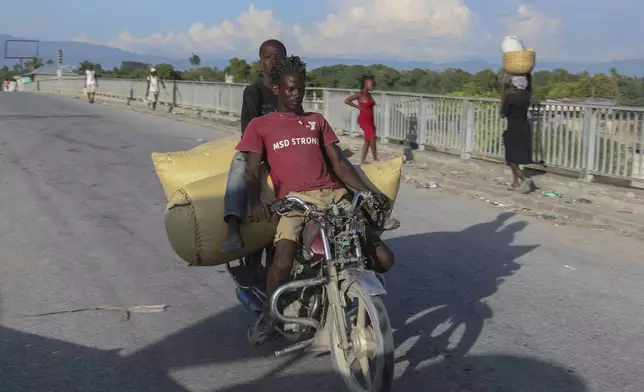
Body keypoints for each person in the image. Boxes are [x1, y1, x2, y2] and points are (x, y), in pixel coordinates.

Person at [237, 55, 395, 345]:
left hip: (333, 195)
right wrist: (257, 201)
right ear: (277, 89)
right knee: (282, 260)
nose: (296, 95)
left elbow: (340, 164)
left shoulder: (316, 121)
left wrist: (367, 192)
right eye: (290, 89)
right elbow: (250, 171)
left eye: (301, 89)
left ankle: (358, 299)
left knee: (384, 258)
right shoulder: (261, 126)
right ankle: (270, 316)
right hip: (295, 202)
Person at [220, 39, 287, 256]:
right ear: (260, 63)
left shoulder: (290, 89)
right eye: (268, 57)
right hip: (260, 147)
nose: (273, 62)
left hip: (285, 146)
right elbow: (248, 130)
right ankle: (232, 228)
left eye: (278, 57)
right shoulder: (253, 92)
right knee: (240, 163)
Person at [500, 75, 534, 192]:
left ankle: (523, 178)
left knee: (510, 158)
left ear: (514, 85)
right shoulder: (527, 96)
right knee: (515, 157)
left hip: (513, 129)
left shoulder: (510, 98)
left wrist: (503, 101)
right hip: (524, 128)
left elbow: (502, 115)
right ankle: (515, 183)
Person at [344, 75, 379, 164]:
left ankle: (363, 161)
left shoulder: (369, 95)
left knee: (367, 141)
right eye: (372, 84)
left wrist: (373, 123)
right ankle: (375, 158)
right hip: (363, 120)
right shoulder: (360, 94)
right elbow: (347, 100)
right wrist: (358, 107)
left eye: (374, 85)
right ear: (366, 84)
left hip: (370, 120)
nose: (373, 86)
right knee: (372, 137)